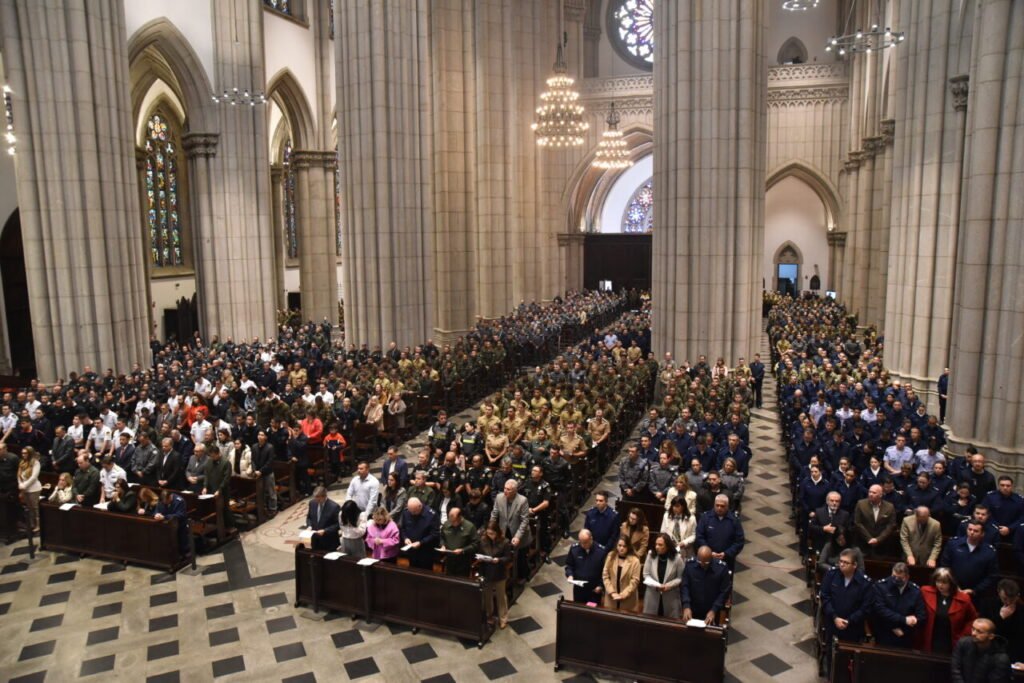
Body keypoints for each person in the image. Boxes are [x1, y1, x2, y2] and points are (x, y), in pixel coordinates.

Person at [819, 548, 872, 676]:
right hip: (833, 624)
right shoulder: (832, 574)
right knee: (832, 656)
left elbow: (866, 607)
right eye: (840, 561)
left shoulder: (864, 582)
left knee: (849, 660)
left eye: (845, 562)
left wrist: (849, 620)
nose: (841, 564)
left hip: (853, 628)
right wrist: (834, 617)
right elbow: (825, 597)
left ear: (854, 565)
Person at [916, 567, 978, 654]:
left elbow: (972, 619)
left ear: (951, 583)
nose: (940, 585)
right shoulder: (925, 592)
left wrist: (962, 636)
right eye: (938, 581)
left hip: (951, 640)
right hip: (930, 638)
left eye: (944, 582)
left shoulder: (964, 599)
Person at [940, 520, 999, 604]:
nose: (971, 533)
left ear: (982, 534)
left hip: (976, 595)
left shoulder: (989, 552)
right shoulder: (953, 544)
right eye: (970, 529)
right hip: (952, 589)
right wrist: (953, 585)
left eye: (976, 531)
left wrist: (974, 590)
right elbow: (945, 565)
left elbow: (992, 576)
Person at [869, 562, 926, 648]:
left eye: (900, 578)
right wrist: (902, 621)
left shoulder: (915, 591)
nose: (896, 580)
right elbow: (880, 610)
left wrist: (907, 627)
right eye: (894, 576)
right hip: (884, 633)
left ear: (907, 577)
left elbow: (921, 616)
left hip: (906, 636)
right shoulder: (881, 587)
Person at [490, 479, 532, 580]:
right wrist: (491, 528)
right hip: (504, 531)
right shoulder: (499, 497)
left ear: (515, 491)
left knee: (521, 558)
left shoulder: (522, 500)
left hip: (519, 533)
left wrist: (517, 537)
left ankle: (524, 576)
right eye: (504, 488)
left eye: (508, 489)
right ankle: (507, 577)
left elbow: (524, 521)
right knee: (505, 555)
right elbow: (494, 514)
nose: (505, 491)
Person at [681, 545, 733, 625]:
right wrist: (686, 605)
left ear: (711, 557)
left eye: (706, 562)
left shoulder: (721, 568)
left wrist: (714, 610)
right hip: (693, 607)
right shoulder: (690, 565)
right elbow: (685, 586)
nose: (702, 564)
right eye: (699, 561)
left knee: (711, 630)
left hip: (712, 608)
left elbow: (724, 591)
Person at [951, 618, 1011, 683]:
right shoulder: (963, 643)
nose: (973, 633)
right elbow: (955, 669)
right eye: (973, 629)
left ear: (991, 636)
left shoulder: (1001, 658)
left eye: (979, 632)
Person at [695, 494, 745, 570]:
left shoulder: (734, 520)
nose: (719, 508)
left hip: (727, 560)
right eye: (717, 505)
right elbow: (699, 536)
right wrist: (708, 552)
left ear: (727, 506)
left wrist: (727, 553)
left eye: (722, 506)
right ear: (714, 505)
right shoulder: (705, 518)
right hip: (708, 560)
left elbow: (739, 541)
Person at [981, 579, 1024, 665]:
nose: (1008, 602)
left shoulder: (1021, 608)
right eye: (1005, 599)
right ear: (998, 593)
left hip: (1015, 651)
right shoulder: (988, 604)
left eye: (1012, 599)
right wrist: (1001, 617)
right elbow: (984, 629)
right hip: (993, 648)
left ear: (1017, 596)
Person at [642, 533, 685, 618]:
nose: (657, 547)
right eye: (656, 544)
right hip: (652, 596)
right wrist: (656, 585)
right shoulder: (651, 554)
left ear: (667, 546)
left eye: (660, 545)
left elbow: (680, 577)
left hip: (670, 597)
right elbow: (646, 574)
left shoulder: (677, 558)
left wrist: (669, 585)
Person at [478, 521, 512, 628]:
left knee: (501, 597)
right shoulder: (483, 541)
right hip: (487, 572)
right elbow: (480, 555)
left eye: (492, 533)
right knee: (487, 596)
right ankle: (489, 616)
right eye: (488, 533)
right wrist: (481, 559)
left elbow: (508, 558)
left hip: (499, 572)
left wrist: (499, 560)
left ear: (497, 532)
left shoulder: (505, 542)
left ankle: (503, 619)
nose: (490, 535)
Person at [853, 483, 897, 557]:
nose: (870, 494)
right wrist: (869, 538)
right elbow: (858, 523)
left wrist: (878, 539)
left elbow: (891, 525)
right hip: (863, 543)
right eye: (870, 492)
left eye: (874, 493)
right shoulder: (861, 504)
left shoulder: (889, 507)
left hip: (882, 545)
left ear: (881, 495)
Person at [565, 529, 607, 604]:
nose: (582, 545)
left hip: (594, 591)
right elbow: (569, 565)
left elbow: (605, 572)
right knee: (578, 609)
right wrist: (570, 575)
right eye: (580, 542)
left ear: (591, 539)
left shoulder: (600, 552)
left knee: (591, 610)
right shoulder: (574, 549)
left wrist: (600, 585)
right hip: (579, 590)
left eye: (585, 542)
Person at [602, 535, 642, 613]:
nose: (621, 548)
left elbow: (635, 581)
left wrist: (623, 595)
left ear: (628, 547)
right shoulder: (611, 556)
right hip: (611, 598)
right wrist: (612, 592)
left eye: (624, 546)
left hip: (628, 599)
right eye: (619, 545)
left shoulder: (635, 561)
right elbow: (605, 576)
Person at [400, 497, 440, 570]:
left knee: (425, 571)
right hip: (412, 550)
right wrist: (405, 538)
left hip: (426, 551)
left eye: (414, 511)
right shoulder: (406, 512)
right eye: (410, 511)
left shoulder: (431, 515)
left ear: (420, 506)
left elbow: (434, 533)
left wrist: (421, 542)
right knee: (412, 569)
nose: (412, 514)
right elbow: (403, 528)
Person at [439, 507, 478, 576]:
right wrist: (442, 545)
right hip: (449, 559)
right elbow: (442, 537)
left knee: (461, 581)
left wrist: (463, 550)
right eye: (450, 519)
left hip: (463, 561)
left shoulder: (470, 527)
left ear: (460, 518)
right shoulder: (447, 524)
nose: (451, 522)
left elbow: (475, 544)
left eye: (453, 521)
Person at [151, 488, 190, 556]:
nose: (166, 503)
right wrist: (156, 514)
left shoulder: (179, 501)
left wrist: (165, 517)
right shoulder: (162, 500)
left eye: (167, 501)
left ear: (171, 496)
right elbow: (156, 510)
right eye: (164, 502)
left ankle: (183, 553)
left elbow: (181, 515)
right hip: (165, 525)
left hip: (179, 525)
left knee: (181, 539)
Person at [305, 486, 341, 551]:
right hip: (315, 540)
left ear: (324, 496)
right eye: (315, 497)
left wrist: (325, 530)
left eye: (317, 497)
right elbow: (309, 517)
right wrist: (309, 526)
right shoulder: (312, 503)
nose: (315, 499)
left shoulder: (334, 507)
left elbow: (338, 524)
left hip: (329, 541)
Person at [17, 446, 42, 531]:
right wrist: (20, 484)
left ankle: (38, 525)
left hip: (34, 489)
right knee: (29, 508)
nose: (23, 455)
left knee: (35, 508)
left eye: (25, 453)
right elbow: (19, 475)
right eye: (22, 453)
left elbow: (34, 477)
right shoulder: (22, 462)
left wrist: (24, 485)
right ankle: (31, 524)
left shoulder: (36, 463)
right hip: (25, 489)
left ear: (30, 453)